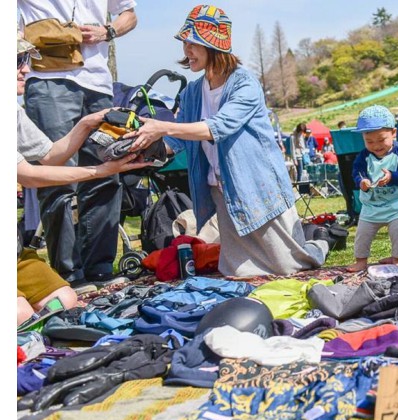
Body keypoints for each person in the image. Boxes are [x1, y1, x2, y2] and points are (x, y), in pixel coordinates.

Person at [124, 5, 329, 277]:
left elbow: (220, 126)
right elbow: (179, 140)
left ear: (212, 45)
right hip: (222, 190)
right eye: (185, 42)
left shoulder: (244, 84)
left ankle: (321, 241)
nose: (186, 50)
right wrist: (143, 149)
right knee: (239, 271)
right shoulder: (193, 93)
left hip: (257, 185)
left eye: (193, 43)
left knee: (289, 265)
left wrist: (161, 126)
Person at [16, 33, 148, 325]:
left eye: (25, 59)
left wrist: (88, 123)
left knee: (65, 300)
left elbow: (51, 155)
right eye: (17, 61)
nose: (26, 69)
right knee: (21, 314)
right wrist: (99, 172)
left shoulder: (12, 111)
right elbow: (30, 175)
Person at [346, 105, 398, 272]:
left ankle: (397, 258)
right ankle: (361, 261)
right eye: (369, 141)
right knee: (362, 234)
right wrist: (362, 182)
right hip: (371, 206)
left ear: (393, 133)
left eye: (381, 140)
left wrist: (391, 177)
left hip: (395, 205)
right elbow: (357, 172)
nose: (376, 146)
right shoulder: (364, 156)